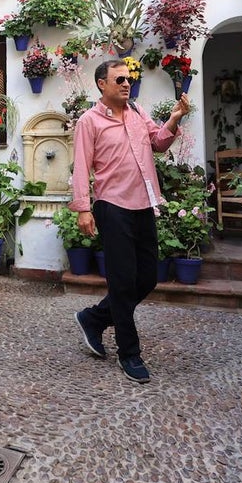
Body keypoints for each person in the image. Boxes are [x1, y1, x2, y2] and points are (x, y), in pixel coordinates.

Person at [70, 58, 190, 383]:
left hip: (143, 204)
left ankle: (94, 318)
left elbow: (159, 143)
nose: (126, 84)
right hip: (112, 206)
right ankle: (129, 352)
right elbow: (81, 166)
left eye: (128, 80)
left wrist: (175, 118)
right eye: (119, 79)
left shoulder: (138, 113)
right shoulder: (89, 121)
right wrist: (83, 208)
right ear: (102, 84)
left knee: (147, 277)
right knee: (122, 282)